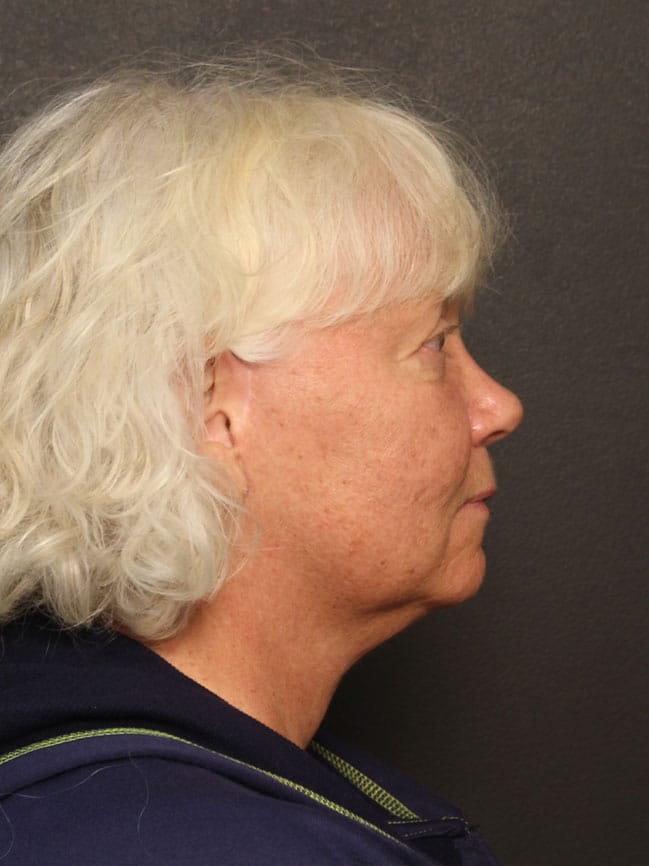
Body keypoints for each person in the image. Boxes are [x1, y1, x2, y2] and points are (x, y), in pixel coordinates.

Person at [0, 58, 523, 865]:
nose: (497, 407)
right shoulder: (205, 845)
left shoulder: (110, 795)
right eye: (433, 344)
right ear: (209, 404)